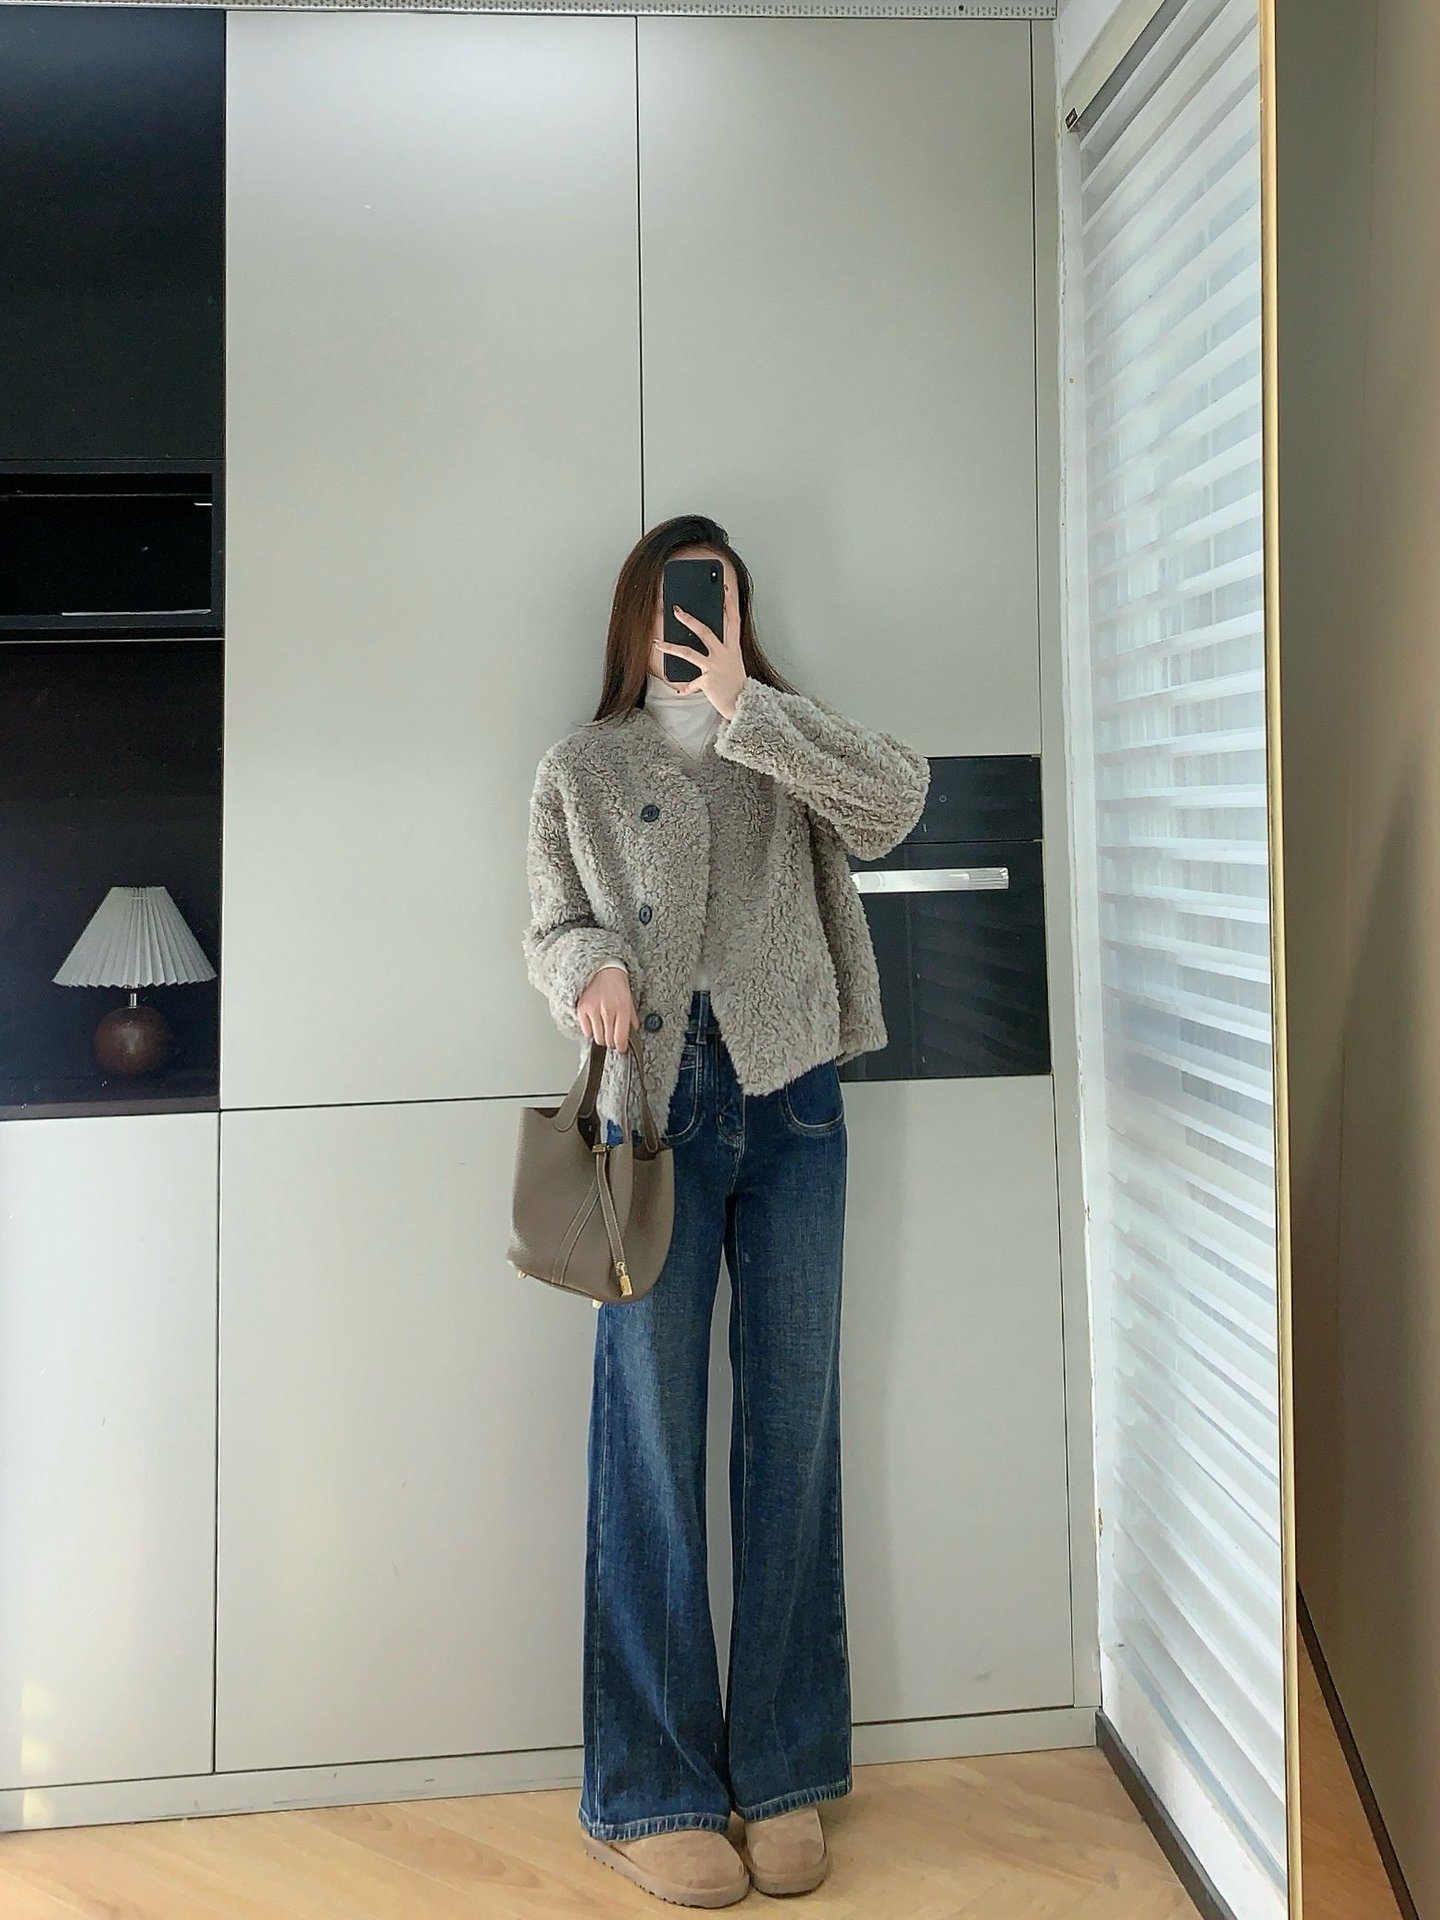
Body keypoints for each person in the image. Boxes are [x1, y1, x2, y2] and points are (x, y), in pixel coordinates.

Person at [522, 513, 930, 1908]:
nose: (687, 627)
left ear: (740, 617)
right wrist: (588, 966)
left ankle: (787, 1772)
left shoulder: (785, 740)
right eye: (669, 605)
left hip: (793, 1099)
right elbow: (549, 922)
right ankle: (651, 1791)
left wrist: (752, 703)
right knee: (649, 1438)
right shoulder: (582, 766)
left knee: (791, 1434)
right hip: (652, 1119)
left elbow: (895, 803)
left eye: (714, 603)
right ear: (631, 620)